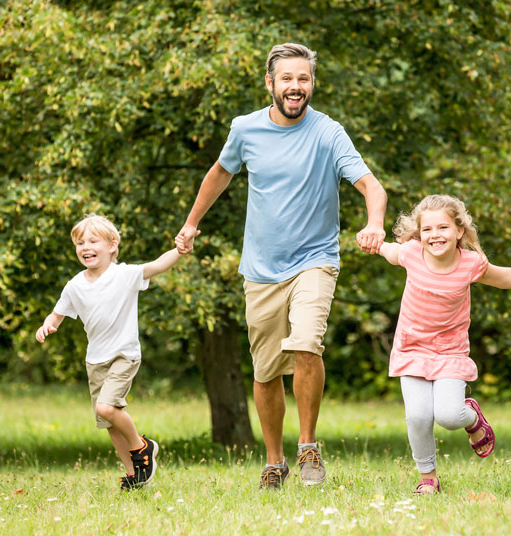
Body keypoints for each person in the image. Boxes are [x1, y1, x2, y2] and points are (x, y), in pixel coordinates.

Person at [174, 43, 387, 490]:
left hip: (316, 260)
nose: (296, 87)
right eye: (287, 79)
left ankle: (308, 446)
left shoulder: (329, 133)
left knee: (307, 343)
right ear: (270, 84)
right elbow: (219, 173)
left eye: (303, 79)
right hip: (261, 269)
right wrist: (192, 223)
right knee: (266, 370)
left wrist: (374, 224)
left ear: (312, 84)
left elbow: (371, 186)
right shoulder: (245, 129)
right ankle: (274, 462)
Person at [376, 194, 511, 494]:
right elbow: (388, 250)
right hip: (412, 349)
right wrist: (373, 241)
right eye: (427, 229)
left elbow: (504, 277)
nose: (435, 235)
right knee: (417, 416)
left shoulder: (470, 264)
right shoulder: (411, 253)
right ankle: (428, 477)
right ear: (419, 233)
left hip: (450, 352)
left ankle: (472, 416)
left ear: (459, 231)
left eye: (443, 228)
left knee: (450, 416)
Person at [36, 214, 189, 490]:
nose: (85, 247)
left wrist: (178, 250)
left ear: (112, 246)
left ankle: (143, 447)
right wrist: (48, 325)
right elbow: (57, 314)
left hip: (124, 354)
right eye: (80, 242)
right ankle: (135, 475)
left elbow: (157, 266)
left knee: (106, 407)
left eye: (93, 241)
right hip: (95, 360)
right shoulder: (75, 286)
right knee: (108, 421)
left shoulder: (125, 275)